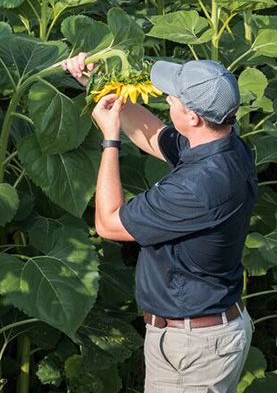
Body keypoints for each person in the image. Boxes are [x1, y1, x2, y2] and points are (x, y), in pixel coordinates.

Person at [62, 52, 258, 393]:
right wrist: (97, 86)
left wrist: (109, 140)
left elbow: (108, 224)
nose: (167, 97)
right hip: (210, 332)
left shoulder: (196, 188)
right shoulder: (225, 146)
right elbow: (153, 133)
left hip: (193, 349)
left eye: (175, 97)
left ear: (194, 117)